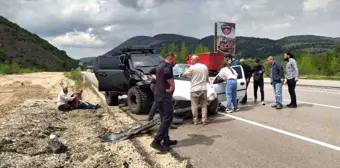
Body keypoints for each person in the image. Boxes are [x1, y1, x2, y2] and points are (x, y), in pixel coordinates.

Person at [150, 52, 177, 152]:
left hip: (159, 95)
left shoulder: (159, 65)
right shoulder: (166, 67)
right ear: (171, 58)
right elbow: (167, 73)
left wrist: (159, 80)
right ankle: (156, 141)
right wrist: (172, 86)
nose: (175, 62)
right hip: (165, 96)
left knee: (163, 118)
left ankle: (166, 140)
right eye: (175, 60)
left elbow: (151, 71)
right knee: (168, 119)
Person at [181, 55, 210, 125]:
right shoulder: (205, 67)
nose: (191, 61)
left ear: (194, 60)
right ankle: (204, 120)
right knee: (204, 105)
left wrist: (185, 70)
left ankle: (195, 120)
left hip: (194, 88)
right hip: (203, 88)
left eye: (191, 60)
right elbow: (207, 78)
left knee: (194, 106)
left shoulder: (192, 68)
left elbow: (184, 74)